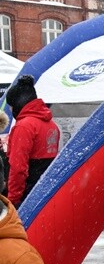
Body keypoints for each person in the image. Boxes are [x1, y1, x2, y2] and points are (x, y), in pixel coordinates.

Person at [3, 75, 60, 208]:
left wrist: (12, 200)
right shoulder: (51, 125)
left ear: (19, 103)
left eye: (11, 107)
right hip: (44, 193)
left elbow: (18, 168)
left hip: (25, 195)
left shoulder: (24, 126)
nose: (11, 111)